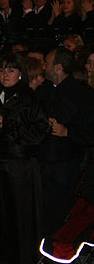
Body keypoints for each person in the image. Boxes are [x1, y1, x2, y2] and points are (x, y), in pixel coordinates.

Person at [0, 53, 48, 264]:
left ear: (20, 73)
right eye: (2, 70)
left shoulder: (30, 99)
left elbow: (40, 133)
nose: (5, 74)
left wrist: (8, 125)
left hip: (19, 168)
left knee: (20, 219)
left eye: (10, 70)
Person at [39, 48, 94, 234]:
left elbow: (90, 131)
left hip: (66, 169)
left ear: (58, 67)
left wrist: (67, 131)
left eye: (47, 62)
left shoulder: (83, 95)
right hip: (40, 165)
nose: (43, 66)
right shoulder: (42, 91)